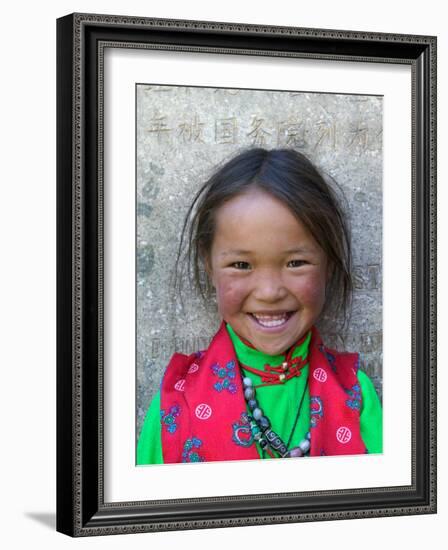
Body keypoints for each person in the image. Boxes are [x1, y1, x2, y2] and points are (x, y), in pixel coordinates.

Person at [137, 147, 382, 464]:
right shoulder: (176, 402)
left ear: (329, 265)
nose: (269, 292)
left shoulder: (354, 395)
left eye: (296, 262)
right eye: (241, 265)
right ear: (208, 264)